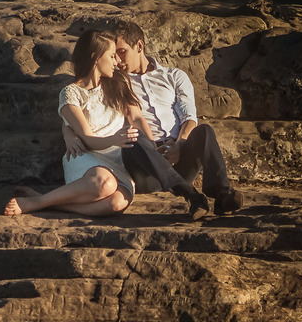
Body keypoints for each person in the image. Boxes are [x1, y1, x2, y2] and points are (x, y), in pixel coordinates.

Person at [65, 20, 243, 218]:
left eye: (122, 52)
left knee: (205, 131)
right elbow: (85, 105)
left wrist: (180, 145)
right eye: (113, 55)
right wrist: (68, 133)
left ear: (139, 46)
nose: (117, 60)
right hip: (145, 164)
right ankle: (191, 196)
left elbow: (189, 117)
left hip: (179, 154)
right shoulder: (116, 81)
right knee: (134, 138)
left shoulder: (174, 76)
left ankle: (222, 195)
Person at [3, 29, 149, 217]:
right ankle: (36, 202)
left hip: (118, 160)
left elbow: (136, 118)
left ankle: (45, 202)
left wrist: (153, 148)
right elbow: (87, 139)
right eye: (112, 56)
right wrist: (113, 139)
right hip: (86, 157)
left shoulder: (119, 82)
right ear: (95, 57)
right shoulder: (70, 93)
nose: (117, 62)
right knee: (105, 184)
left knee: (116, 204)